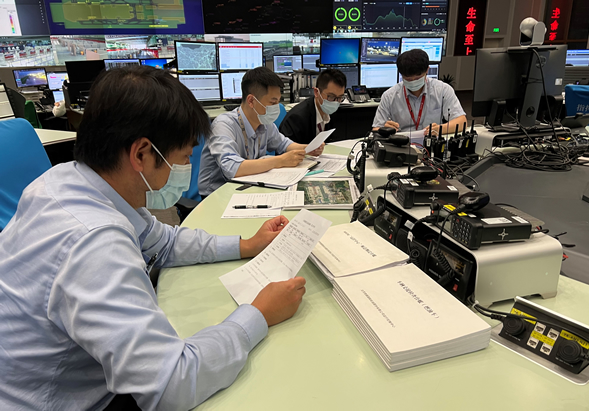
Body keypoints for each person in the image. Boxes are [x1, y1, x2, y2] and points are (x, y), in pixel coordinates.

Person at [0, 66, 307, 411]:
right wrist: (259, 314)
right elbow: (172, 385)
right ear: (141, 154)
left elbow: (165, 241)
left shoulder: (66, 181)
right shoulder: (95, 244)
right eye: (184, 157)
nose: (186, 166)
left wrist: (245, 245)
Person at [198, 67, 324, 197]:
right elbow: (232, 168)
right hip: (217, 194)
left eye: (278, 101)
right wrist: (280, 161)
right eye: (272, 102)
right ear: (251, 101)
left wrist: (307, 149)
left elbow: (283, 144)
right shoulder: (224, 125)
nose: (276, 107)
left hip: (247, 187)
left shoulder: (264, 123)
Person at [372, 49, 467, 141]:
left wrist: (440, 129)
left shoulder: (442, 90)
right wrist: (384, 130)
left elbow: (462, 121)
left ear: (427, 70)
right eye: (408, 79)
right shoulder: (389, 96)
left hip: (431, 142)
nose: (413, 82)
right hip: (401, 144)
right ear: (401, 75)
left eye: (418, 78)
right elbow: (376, 129)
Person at [279, 68, 347, 144]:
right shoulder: (297, 118)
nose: (335, 102)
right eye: (331, 96)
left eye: (340, 97)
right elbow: (287, 149)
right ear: (316, 92)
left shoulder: (334, 112)